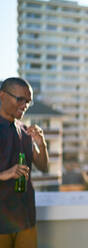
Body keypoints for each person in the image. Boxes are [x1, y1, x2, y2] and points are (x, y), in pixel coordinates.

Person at [0, 77, 49, 248]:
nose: (25, 105)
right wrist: (6, 174)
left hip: (25, 219)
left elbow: (43, 167)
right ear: (2, 96)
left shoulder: (25, 129)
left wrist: (41, 144)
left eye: (28, 101)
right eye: (20, 99)